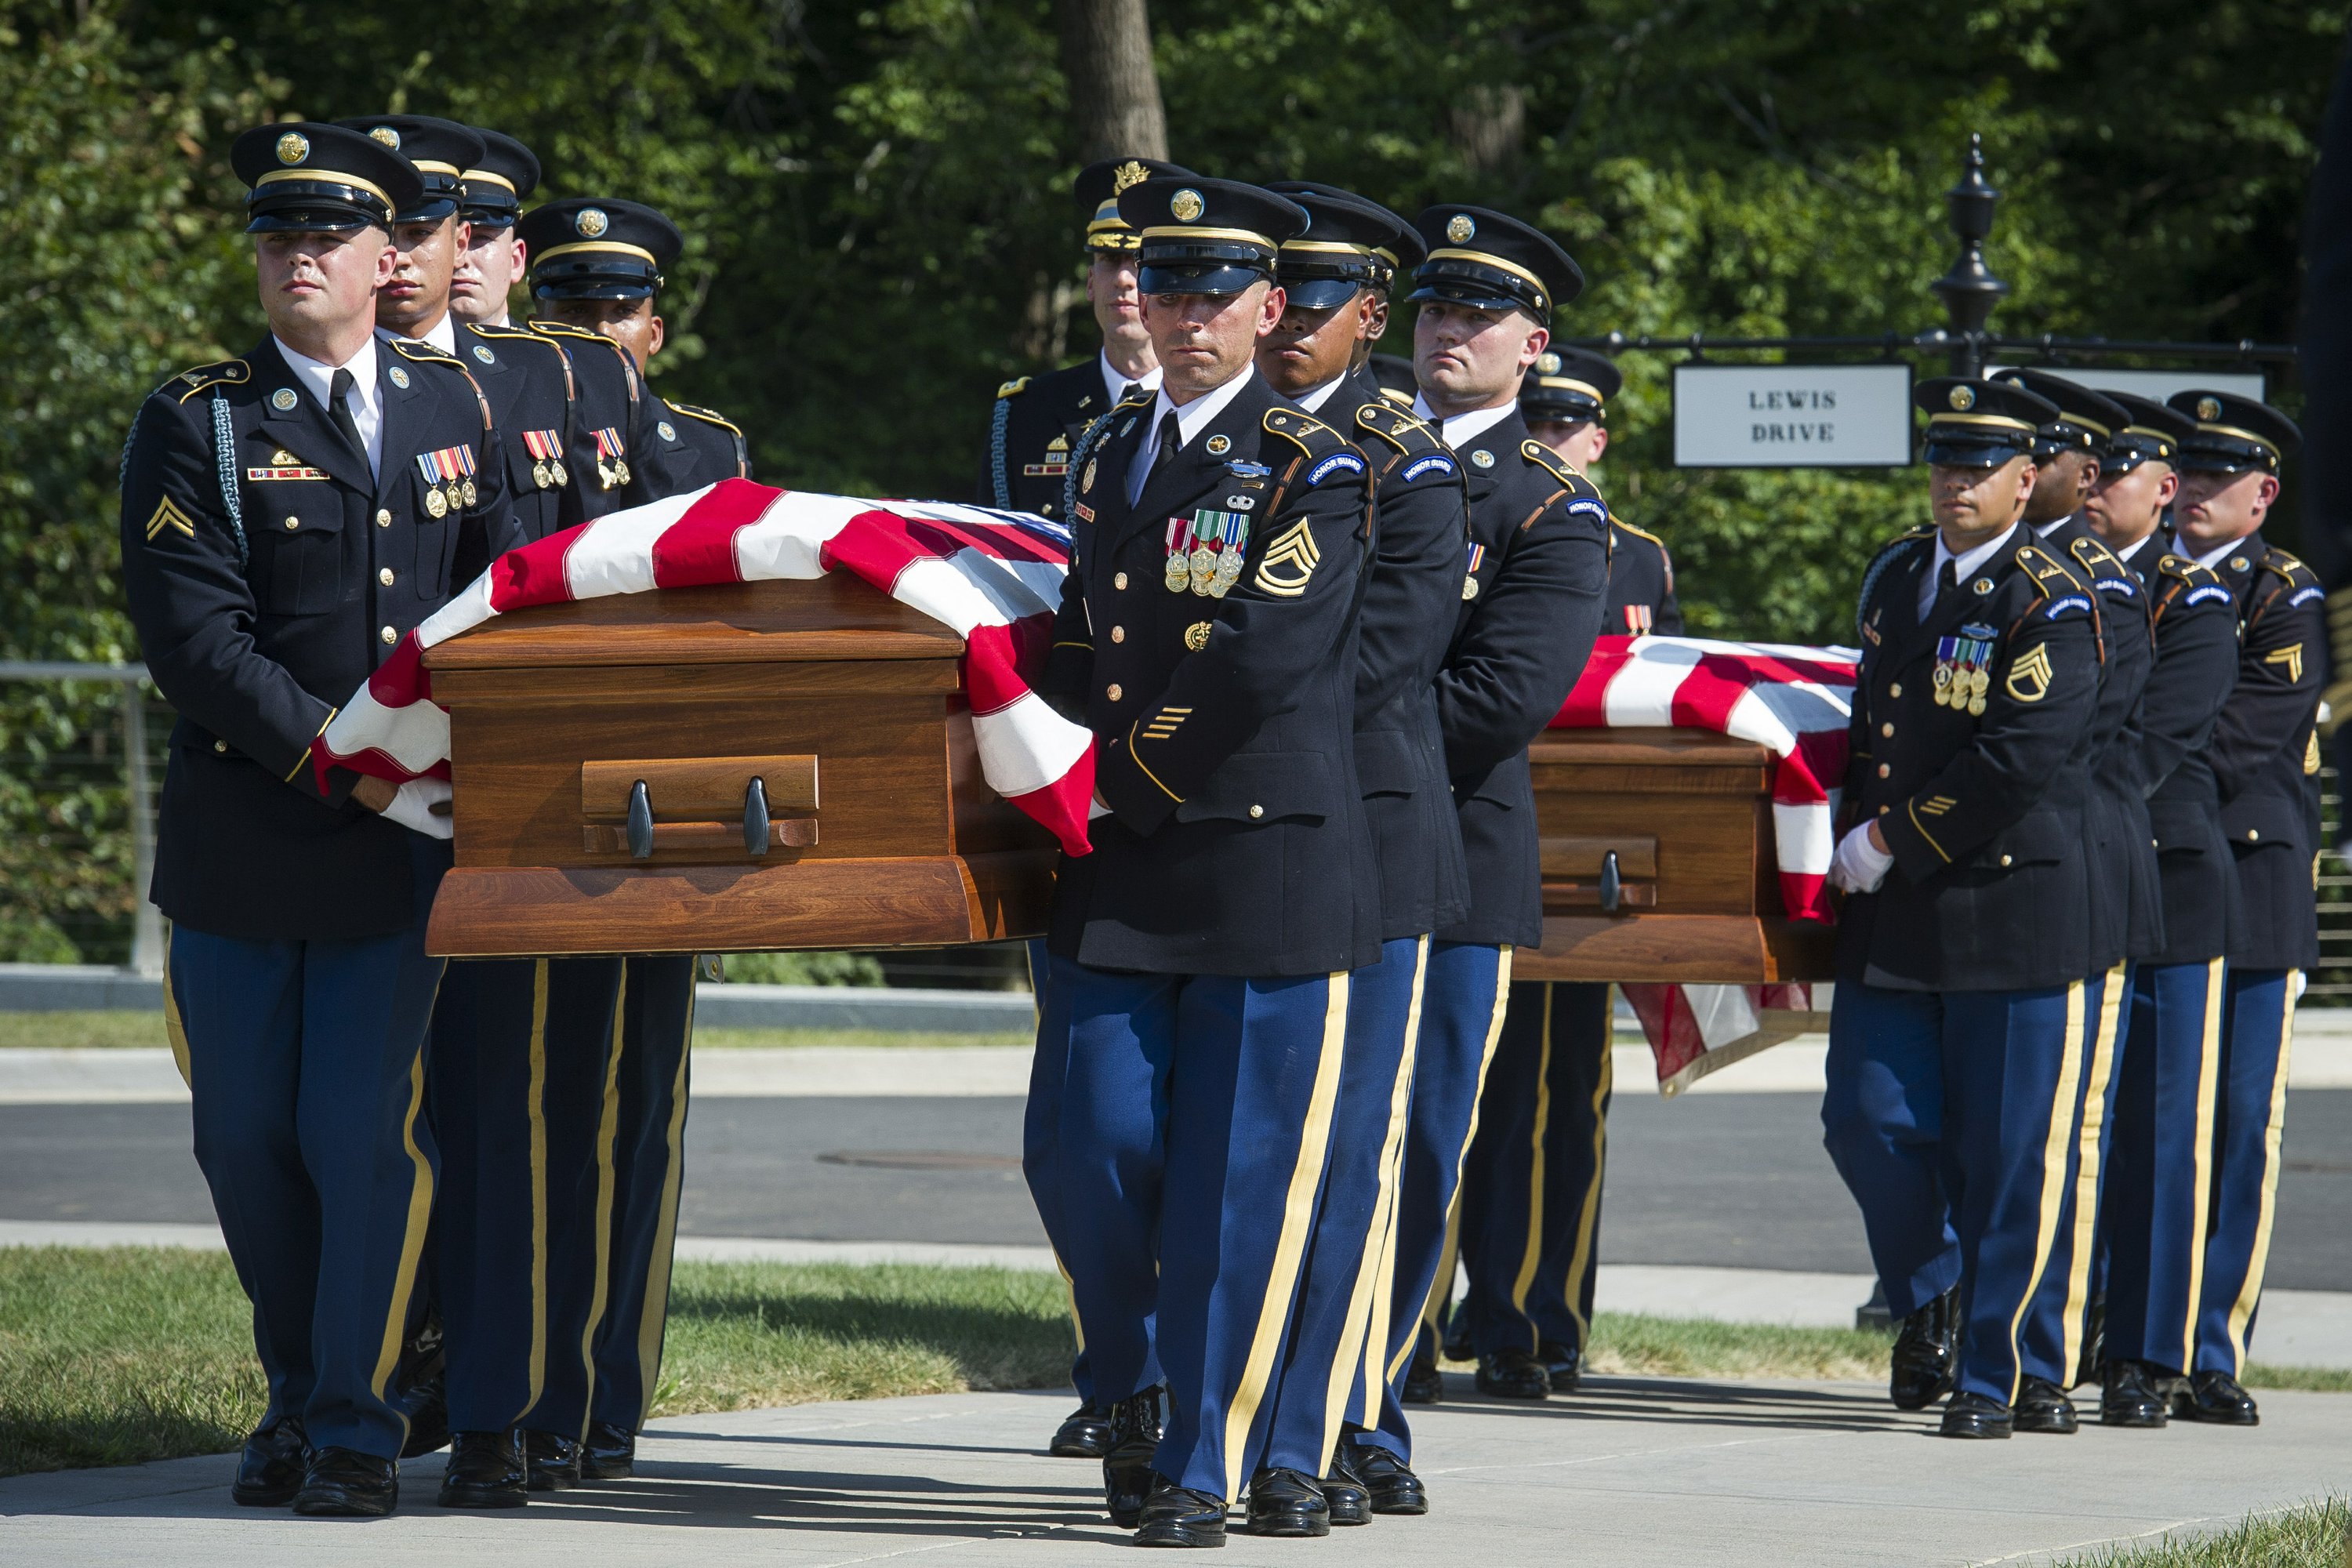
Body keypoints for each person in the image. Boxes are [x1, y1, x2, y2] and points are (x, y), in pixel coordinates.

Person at [125, 122, 513, 1516]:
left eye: (328, 235)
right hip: (254, 839)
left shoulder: (451, 407)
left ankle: (352, 1422)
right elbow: (197, 642)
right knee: (245, 1140)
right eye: (276, 234)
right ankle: (294, 1392)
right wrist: (349, 755)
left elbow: (496, 608)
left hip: (401, 853)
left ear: (383, 258)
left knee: (360, 1135)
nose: (298, 255)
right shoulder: (200, 421)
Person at [1029, 174, 1380, 1548]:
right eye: (1163, 293)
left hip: (1259, 861)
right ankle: (1144, 1384)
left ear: (1266, 309)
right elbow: (1076, 629)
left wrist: (1119, 772)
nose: (1182, 319)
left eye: (1212, 296)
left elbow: (1263, 654)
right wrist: (1033, 753)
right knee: (1088, 1144)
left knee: (1240, 1181)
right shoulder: (1111, 453)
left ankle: (1205, 1464)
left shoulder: (1315, 463)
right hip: (1123, 857)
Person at [1344, 204, 1609, 1509]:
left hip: (1448, 856)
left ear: (1531, 347)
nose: (1449, 332)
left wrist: (1316, 765)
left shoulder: (1551, 510)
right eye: (1436, 310)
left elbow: (1499, 699)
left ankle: (1371, 1405)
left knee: (1425, 1144)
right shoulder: (1340, 450)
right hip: (1303, 848)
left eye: (1479, 317)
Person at [518, 194, 752, 1483]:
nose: (594, 332)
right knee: (516, 1111)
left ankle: (606, 1391)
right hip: (516, 819)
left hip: (660, 826)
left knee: (635, 1108)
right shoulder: (493, 435)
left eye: (615, 310)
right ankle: (511, 1384)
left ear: (654, 328)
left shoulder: (704, 452)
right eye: (568, 309)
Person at [1820, 375, 2103, 1439]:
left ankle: (1995, 1375)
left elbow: (2016, 759)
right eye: (1944, 462)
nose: (1956, 484)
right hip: (1897, 916)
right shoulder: (1898, 573)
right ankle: (1933, 1284)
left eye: (1980, 469)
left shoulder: (2052, 595)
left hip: (2007, 909)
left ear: (2027, 482)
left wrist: (1889, 838)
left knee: (2001, 1156)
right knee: (1864, 1118)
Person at [1247, 180, 1465, 1528]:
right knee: (1245, 1149)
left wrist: (1216, 732)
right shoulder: (1215, 443)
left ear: (1367, 319)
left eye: (1314, 309)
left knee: (1347, 1156)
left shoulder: (1405, 459)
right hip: (1239, 832)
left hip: (1369, 833)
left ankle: (1321, 1428)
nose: (1286, 329)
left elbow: (1383, 664)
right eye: (1278, 305)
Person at [1448, 345, 1673, 1401]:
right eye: (1540, 419)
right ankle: (1435, 1314)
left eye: (1572, 424)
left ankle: (1539, 1316)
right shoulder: (1460, 504)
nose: (1556, 437)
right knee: (1453, 1098)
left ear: (1600, 438)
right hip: (1480, 819)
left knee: (1557, 1098)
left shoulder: (1635, 558)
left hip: (1587, 861)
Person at [1987, 369, 2155, 1428]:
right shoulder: (1955, 572)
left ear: (2078, 471)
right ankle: (1968, 1327)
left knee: (2060, 1132)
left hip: (2070, 875)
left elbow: (2088, 747)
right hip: (1976, 872)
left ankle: (2042, 1355)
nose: (2022, 466)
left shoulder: (2100, 588)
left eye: (2039, 451)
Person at [2080, 394, 2243, 1427]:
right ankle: (2067, 1329)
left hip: (2170, 883)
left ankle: (2150, 1350)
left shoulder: (2192, 602)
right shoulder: (2057, 584)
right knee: (2073, 1127)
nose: (2093, 490)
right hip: (2081, 879)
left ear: (2163, 490)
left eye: (2117, 475)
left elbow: (2149, 750)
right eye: (2085, 473)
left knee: (2161, 1128)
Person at [2162, 390, 2318, 1425]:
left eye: (2223, 480)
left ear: (2263, 497)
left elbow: (2243, 738)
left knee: (2236, 1125)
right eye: (2192, 474)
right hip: (2163, 876)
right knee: (2152, 1123)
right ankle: (2137, 1330)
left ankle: (2214, 1342)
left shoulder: (2285, 595)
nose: (2200, 494)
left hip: (2251, 883)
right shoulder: (2140, 582)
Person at [981, 156, 1191, 521]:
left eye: (1142, 261)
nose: (1125, 279)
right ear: (1091, 281)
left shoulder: (1215, 407)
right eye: (1110, 259)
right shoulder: (1026, 413)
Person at [528, 198, 750, 489]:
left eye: (624, 312)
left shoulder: (716, 450)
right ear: (535, 330)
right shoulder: (500, 432)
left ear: (655, 334)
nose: (603, 331)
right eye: (577, 311)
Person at [448, 129, 538, 330]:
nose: (461, 259)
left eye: (481, 238)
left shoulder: (553, 360)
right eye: (450, 241)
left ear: (516, 260)